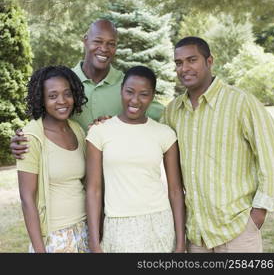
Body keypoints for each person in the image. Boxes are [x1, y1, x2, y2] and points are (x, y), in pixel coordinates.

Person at [161, 36, 274, 253]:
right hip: (197, 235)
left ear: (209, 61)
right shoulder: (172, 111)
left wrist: (258, 214)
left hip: (238, 231)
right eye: (178, 63)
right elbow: (146, 134)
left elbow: (272, 157)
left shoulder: (241, 102)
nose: (184, 68)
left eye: (192, 60)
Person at [10, 19, 164, 157]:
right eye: (98, 41)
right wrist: (22, 138)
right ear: (85, 40)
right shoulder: (64, 84)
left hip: (115, 179)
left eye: (111, 44)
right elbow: (41, 121)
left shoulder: (128, 88)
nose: (104, 48)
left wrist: (118, 124)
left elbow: (163, 119)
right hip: (73, 178)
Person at [86, 66, 186, 253]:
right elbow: (94, 190)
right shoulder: (99, 132)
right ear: (121, 90)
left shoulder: (164, 133)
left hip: (159, 223)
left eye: (144, 94)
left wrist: (180, 242)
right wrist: (94, 242)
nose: (135, 100)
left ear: (152, 96)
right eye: (129, 92)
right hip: (118, 226)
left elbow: (175, 190)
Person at [17, 65, 90, 253]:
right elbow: (27, 199)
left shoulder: (77, 130)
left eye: (67, 94)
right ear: (41, 100)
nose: (62, 101)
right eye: (52, 96)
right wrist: (40, 250)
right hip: (54, 236)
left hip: (84, 229)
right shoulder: (31, 137)